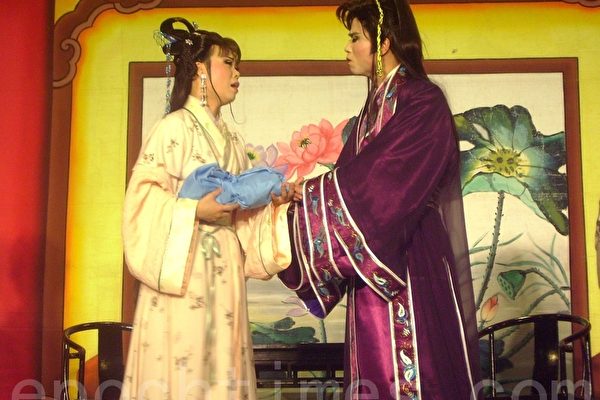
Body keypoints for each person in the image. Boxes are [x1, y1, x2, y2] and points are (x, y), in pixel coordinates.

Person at [278, 0, 481, 398]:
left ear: (384, 42)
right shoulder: (370, 112)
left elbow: (382, 182)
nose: (347, 47)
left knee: (415, 373)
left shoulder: (423, 102)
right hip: (370, 270)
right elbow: (350, 182)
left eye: (355, 37)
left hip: (410, 262)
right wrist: (300, 201)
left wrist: (315, 193)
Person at [121, 17, 297, 400]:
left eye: (237, 65)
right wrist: (192, 211)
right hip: (183, 271)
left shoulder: (232, 140)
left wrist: (273, 204)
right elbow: (141, 200)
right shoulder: (172, 128)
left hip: (224, 272)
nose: (237, 73)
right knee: (183, 365)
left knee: (222, 367)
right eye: (228, 63)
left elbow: (243, 216)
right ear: (200, 69)